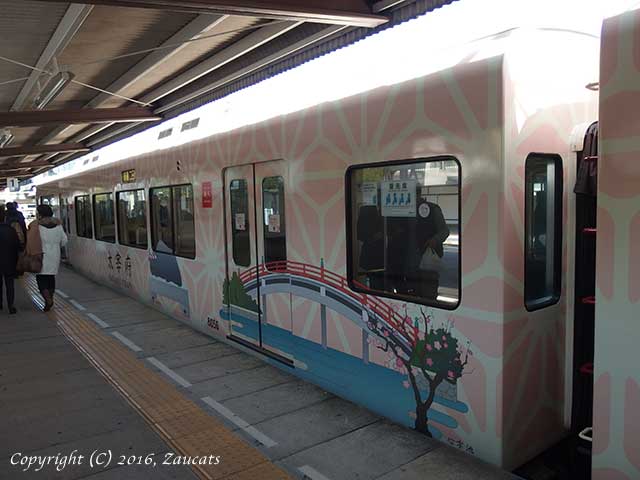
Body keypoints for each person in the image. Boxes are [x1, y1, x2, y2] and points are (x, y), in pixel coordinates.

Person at [32, 205, 67, 311]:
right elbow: (64, 240)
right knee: (51, 278)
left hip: (41, 255)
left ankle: (48, 300)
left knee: (41, 279)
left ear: (40, 214)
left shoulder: (37, 226)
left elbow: (32, 241)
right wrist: (56, 245)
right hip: (55, 255)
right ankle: (50, 299)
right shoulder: (58, 225)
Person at [0, 204, 20, 314]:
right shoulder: (11, 230)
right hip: (9, 261)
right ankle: (11, 306)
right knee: (9, 284)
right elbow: (17, 246)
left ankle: (0, 304)